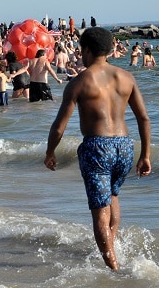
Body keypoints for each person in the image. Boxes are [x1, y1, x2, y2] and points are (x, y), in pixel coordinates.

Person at [44, 27, 151, 271]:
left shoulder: (80, 82)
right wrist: (145, 155)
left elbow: (59, 126)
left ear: (87, 50)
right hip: (125, 145)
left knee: (99, 210)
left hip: (97, 147)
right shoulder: (126, 77)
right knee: (113, 196)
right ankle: (112, 250)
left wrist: (50, 152)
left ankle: (113, 268)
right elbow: (144, 118)